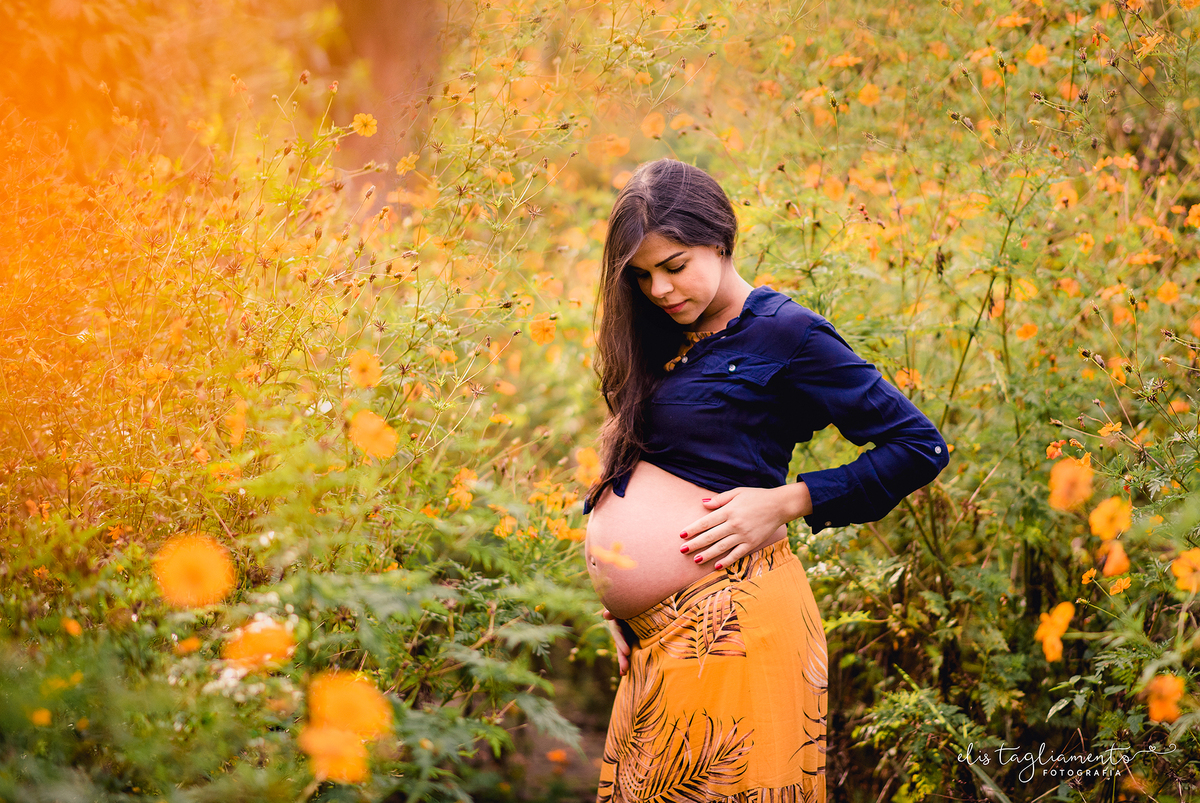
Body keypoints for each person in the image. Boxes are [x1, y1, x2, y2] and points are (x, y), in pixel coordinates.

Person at [580, 157, 950, 803]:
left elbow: (920, 446)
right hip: (661, 639)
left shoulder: (788, 332)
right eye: (641, 275)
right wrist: (626, 606)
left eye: (675, 265)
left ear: (721, 239)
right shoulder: (662, 336)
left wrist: (787, 501)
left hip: (736, 624)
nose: (659, 289)